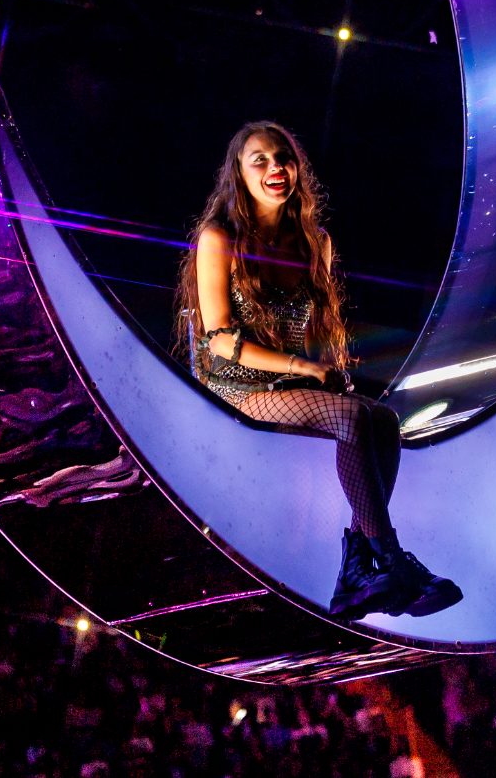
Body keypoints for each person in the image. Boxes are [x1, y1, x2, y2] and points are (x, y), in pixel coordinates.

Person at [175, 121, 461, 620]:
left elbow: (312, 332)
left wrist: (326, 370)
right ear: (239, 174)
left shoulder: (314, 243)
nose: (275, 168)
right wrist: (301, 367)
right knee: (351, 418)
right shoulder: (219, 238)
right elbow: (218, 341)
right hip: (235, 387)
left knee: (383, 420)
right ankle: (390, 565)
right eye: (259, 160)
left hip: (289, 385)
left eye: (283, 157)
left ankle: (357, 569)